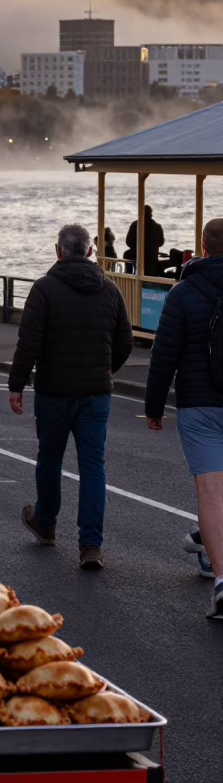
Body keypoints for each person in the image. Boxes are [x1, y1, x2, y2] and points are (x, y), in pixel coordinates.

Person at [8, 223, 133, 571]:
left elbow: (29, 342)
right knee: (93, 466)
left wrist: (16, 384)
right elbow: (125, 342)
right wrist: (104, 371)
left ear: (58, 250)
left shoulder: (44, 289)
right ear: (90, 251)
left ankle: (45, 522)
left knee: (50, 458)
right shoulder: (109, 290)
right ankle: (90, 545)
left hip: (53, 392)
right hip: (96, 394)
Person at [146, 217, 223, 616]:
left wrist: (154, 407)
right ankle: (207, 546)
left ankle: (221, 577)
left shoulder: (183, 291)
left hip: (199, 402)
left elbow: (164, 355)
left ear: (202, 247)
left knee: (211, 491)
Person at [124, 205, 165, 276]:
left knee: (127, 254)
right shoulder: (157, 227)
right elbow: (161, 243)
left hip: (138, 256)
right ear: (151, 214)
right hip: (152, 257)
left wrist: (137, 247)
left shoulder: (135, 225)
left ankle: (129, 274)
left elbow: (129, 242)